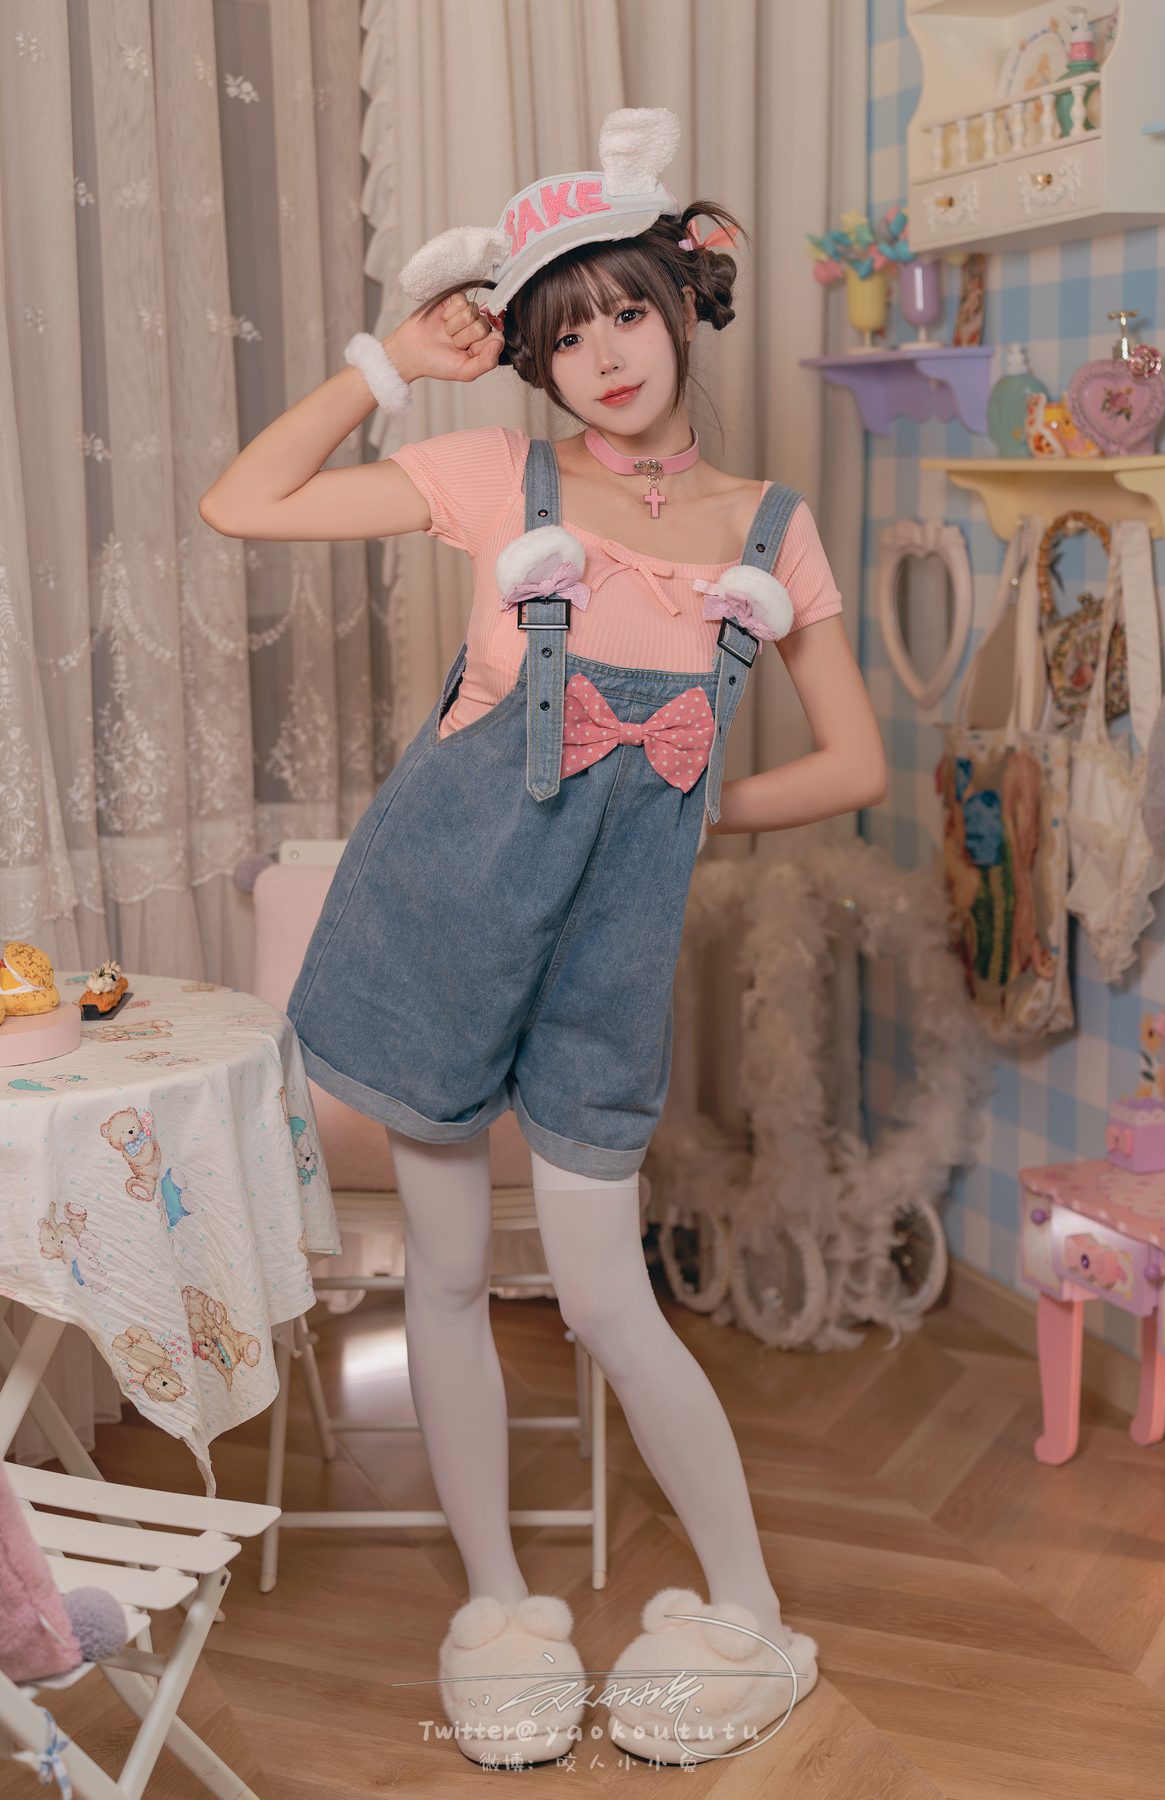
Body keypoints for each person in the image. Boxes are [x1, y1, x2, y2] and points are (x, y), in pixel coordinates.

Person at [200, 107, 886, 1770]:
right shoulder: (487, 480)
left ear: (682, 302)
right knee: (444, 1277)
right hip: (439, 923)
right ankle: (499, 1607)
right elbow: (240, 502)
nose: (604, 359)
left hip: (603, 967)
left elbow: (858, 765)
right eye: (564, 337)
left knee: (605, 1301)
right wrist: (389, 363)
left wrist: (683, 802)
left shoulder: (770, 526)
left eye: (627, 312)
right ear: (534, 361)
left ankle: (749, 1612)